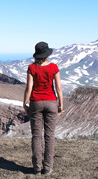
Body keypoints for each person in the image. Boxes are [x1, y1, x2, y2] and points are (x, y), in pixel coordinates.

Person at [23, 41, 63, 176]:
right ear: (46, 55)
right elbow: (58, 88)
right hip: (51, 102)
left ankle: (36, 168)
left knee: (36, 135)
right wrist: (60, 104)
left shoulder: (31, 68)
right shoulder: (54, 67)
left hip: (35, 103)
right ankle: (47, 168)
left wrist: (25, 103)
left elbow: (29, 88)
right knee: (49, 136)